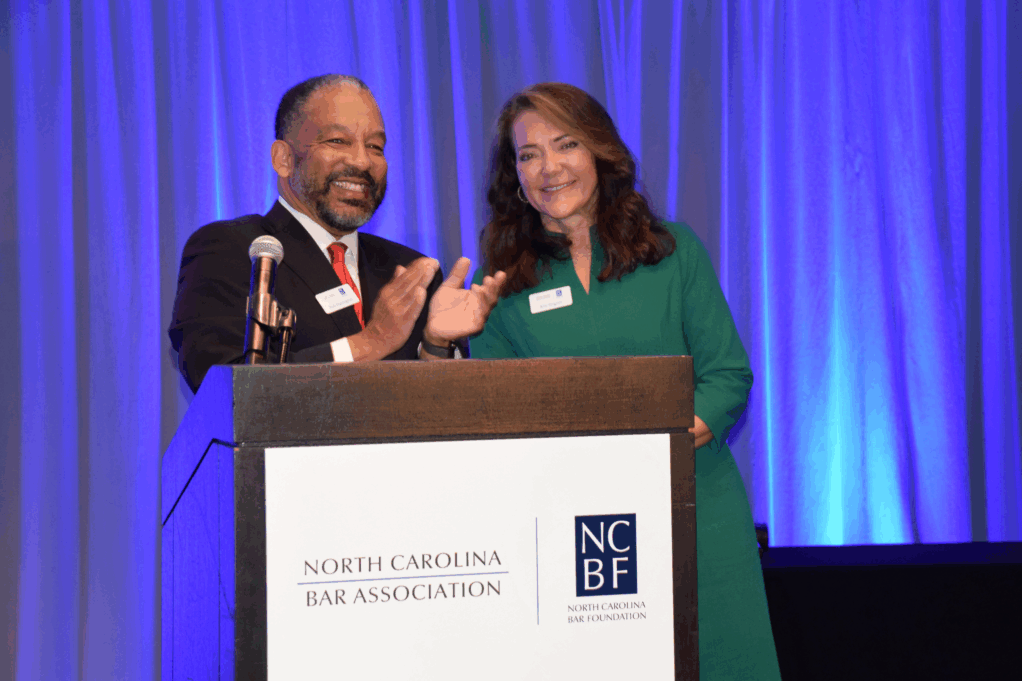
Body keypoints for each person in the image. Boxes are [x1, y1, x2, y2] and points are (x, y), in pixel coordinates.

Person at [470, 82, 781, 680]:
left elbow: (727, 376)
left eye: (566, 145)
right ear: (514, 175)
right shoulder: (502, 279)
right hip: (571, 528)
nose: (549, 167)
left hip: (694, 509)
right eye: (528, 154)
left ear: (600, 154)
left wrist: (659, 446)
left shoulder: (673, 249)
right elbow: (496, 414)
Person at [170, 75, 505, 392]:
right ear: (284, 158)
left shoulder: (412, 271)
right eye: (337, 141)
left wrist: (436, 344)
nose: (361, 161)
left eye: (375, 146)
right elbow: (222, 387)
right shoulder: (233, 250)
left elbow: (440, 418)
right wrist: (369, 342)